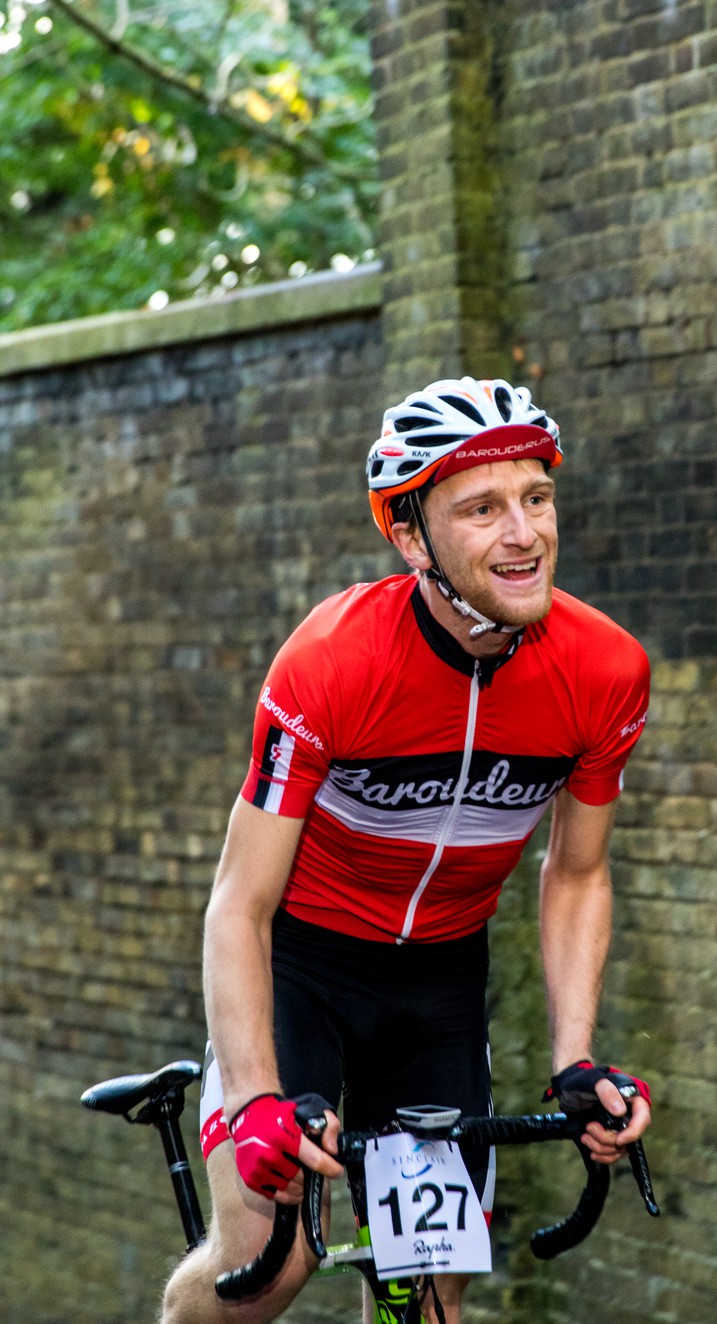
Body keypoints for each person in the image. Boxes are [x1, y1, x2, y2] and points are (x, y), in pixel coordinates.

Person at [159, 376, 652, 1324]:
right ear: (409, 535)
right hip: (301, 967)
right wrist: (259, 1096)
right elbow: (239, 903)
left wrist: (578, 1061)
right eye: (481, 509)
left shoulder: (605, 669)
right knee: (272, 1257)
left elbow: (579, 870)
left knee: (425, 1293)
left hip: (437, 991)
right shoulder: (333, 661)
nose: (524, 533)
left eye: (536, 499)